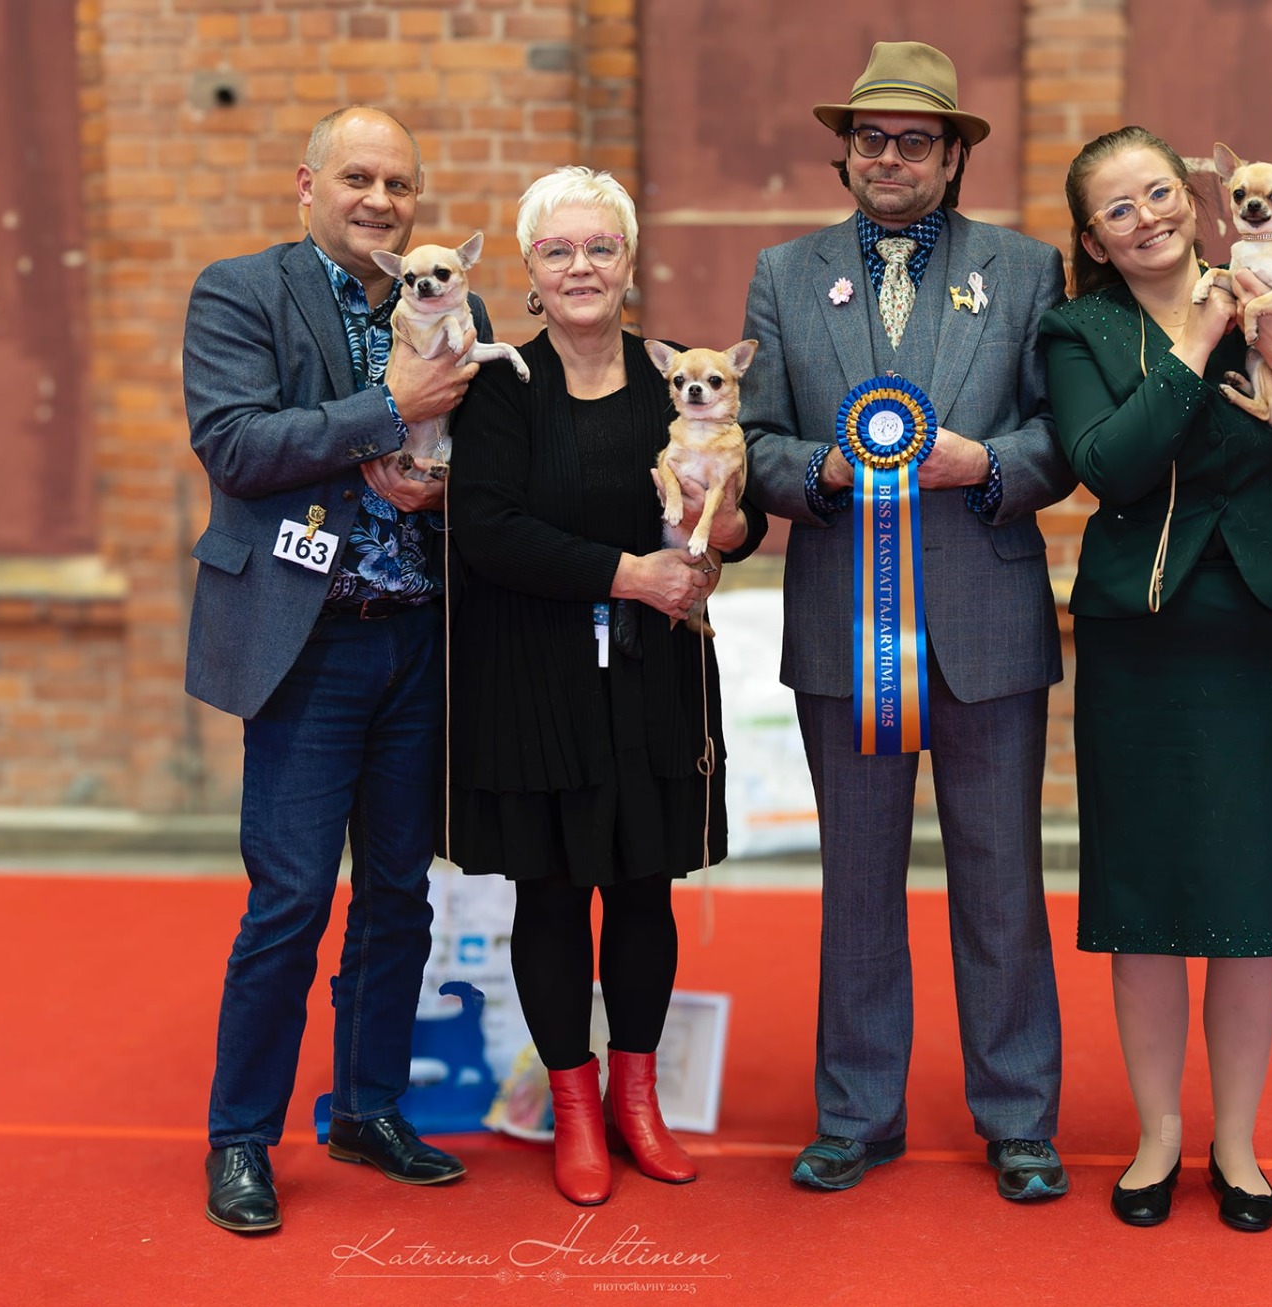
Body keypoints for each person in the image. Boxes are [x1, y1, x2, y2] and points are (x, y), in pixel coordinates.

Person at [1039, 126, 1272, 1231]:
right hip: (1142, 628)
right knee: (1142, 892)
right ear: (1092, 237)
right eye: (1117, 208)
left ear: (1193, 197)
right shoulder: (1076, 326)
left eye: (1159, 192)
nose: (1146, 216)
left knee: (1250, 888)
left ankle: (1236, 1140)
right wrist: (1196, 345)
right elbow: (1107, 463)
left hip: (1260, 617)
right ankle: (1158, 1134)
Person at [739, 40, 1075, 1200]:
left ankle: (1019, 1113)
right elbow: (753, 441)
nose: (891, 157)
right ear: (845, 155)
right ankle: (856, 1111)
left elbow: (1060, 434)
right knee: (858, 879)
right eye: (871, 139)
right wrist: (822, 474)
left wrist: (989, 462)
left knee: (1002, 876)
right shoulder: (784, 275)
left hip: (987, 621)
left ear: (953, 156)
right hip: (845, 627)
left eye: (915, 140)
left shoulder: (1027, 271)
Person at [182, 106, 484, 1234]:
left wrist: (445, 481)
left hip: (420, 637)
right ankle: (241, 1135)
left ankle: (367, 1104)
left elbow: (486, 463)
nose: (380, 201)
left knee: (401, 893)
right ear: (308, 183)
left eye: (399, 185)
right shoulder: (241, 291)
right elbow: (235, 444)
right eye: (358, 177)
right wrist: (388, 414)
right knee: (294, 895)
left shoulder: (458, 300)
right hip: (309, 645)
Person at [444, 166, 763, 1206]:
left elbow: (736, 507)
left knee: (641, 887)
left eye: (600, 247)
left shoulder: (678, 376)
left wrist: (722, 544)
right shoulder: (500, 388)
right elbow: (483, 528)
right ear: (531, 271)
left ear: (629, 261)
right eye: (558, 251)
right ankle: (572, 1106)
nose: (581, 267)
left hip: (653, 672)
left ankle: (637, 1096)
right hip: (531, 674)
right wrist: (628, 572)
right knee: (550, 890)